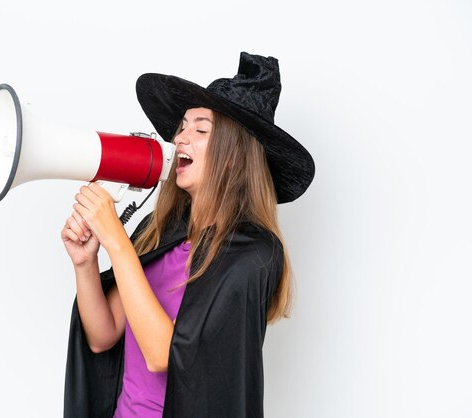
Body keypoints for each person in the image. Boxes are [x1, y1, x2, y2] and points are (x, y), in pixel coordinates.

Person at [60, 52, 315, 418]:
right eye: (182, 126)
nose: (180, 137)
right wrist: (85, 263)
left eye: (200, 129)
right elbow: (104, 336)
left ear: (232, 156)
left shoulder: (253, 254)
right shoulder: (159, 231)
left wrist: (116, 240)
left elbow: (164, 354)